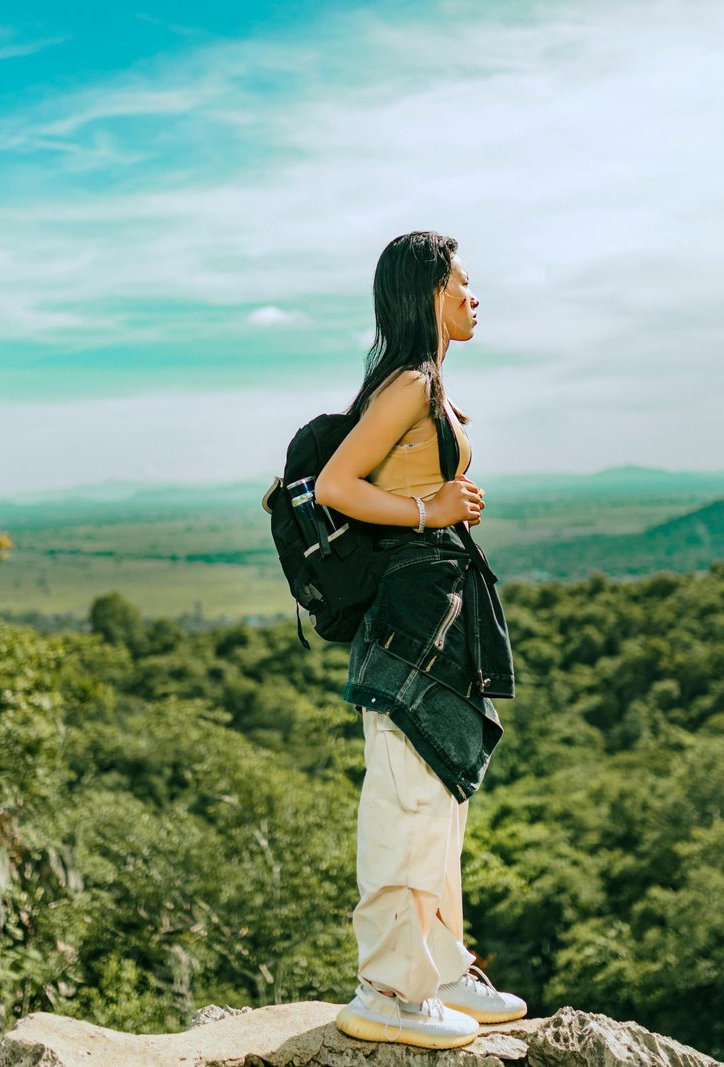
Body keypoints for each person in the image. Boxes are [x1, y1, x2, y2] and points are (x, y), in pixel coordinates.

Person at [315, 231, 526, 1050]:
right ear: (427, 292)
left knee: (437, 799)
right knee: (406, 801)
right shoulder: (408, 384)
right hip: (410, 620)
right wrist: (427, 512)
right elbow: (337, 483)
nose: (475, 296)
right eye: (463, 282)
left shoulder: (428, 385)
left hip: (437, 614)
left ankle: (436, 968)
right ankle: (386, 989)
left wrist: (441, 506)